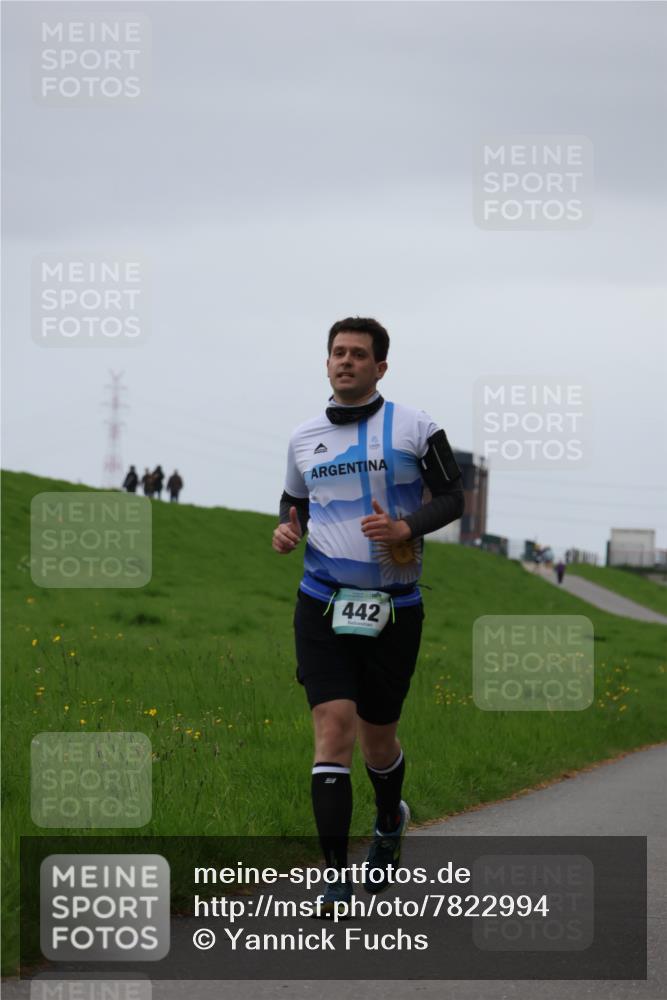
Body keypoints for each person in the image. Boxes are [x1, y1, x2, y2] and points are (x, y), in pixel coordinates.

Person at [272, 317, 464, 916]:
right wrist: (287, 526)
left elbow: (455, 497)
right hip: (321, 602)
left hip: (395, 608)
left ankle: (388, 818)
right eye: (337, 352)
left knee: (379, 737)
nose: (346, 361)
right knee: (334, 728)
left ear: (381, 366)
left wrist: (406, 526)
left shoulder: (416, 427)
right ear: (327, 363)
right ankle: (335, 876)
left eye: (358, 354)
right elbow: (294, 499)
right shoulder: (304, 437)